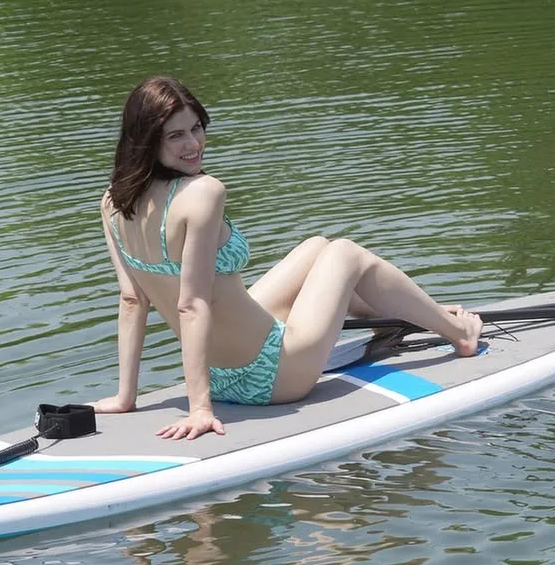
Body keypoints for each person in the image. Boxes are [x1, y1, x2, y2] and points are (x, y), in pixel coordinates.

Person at [92, 76, 482, 440]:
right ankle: (461, 335)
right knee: (345, 253)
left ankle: (397, 314)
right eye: (175, 136)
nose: (193, 144)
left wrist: (127, 398)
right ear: (146, 142)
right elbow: (191, 305)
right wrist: (200, 409)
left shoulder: (113, 202)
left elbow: (132, 300)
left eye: (197, 128)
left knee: (316, 247)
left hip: (217, 372)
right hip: (273, 376)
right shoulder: (202, 192)